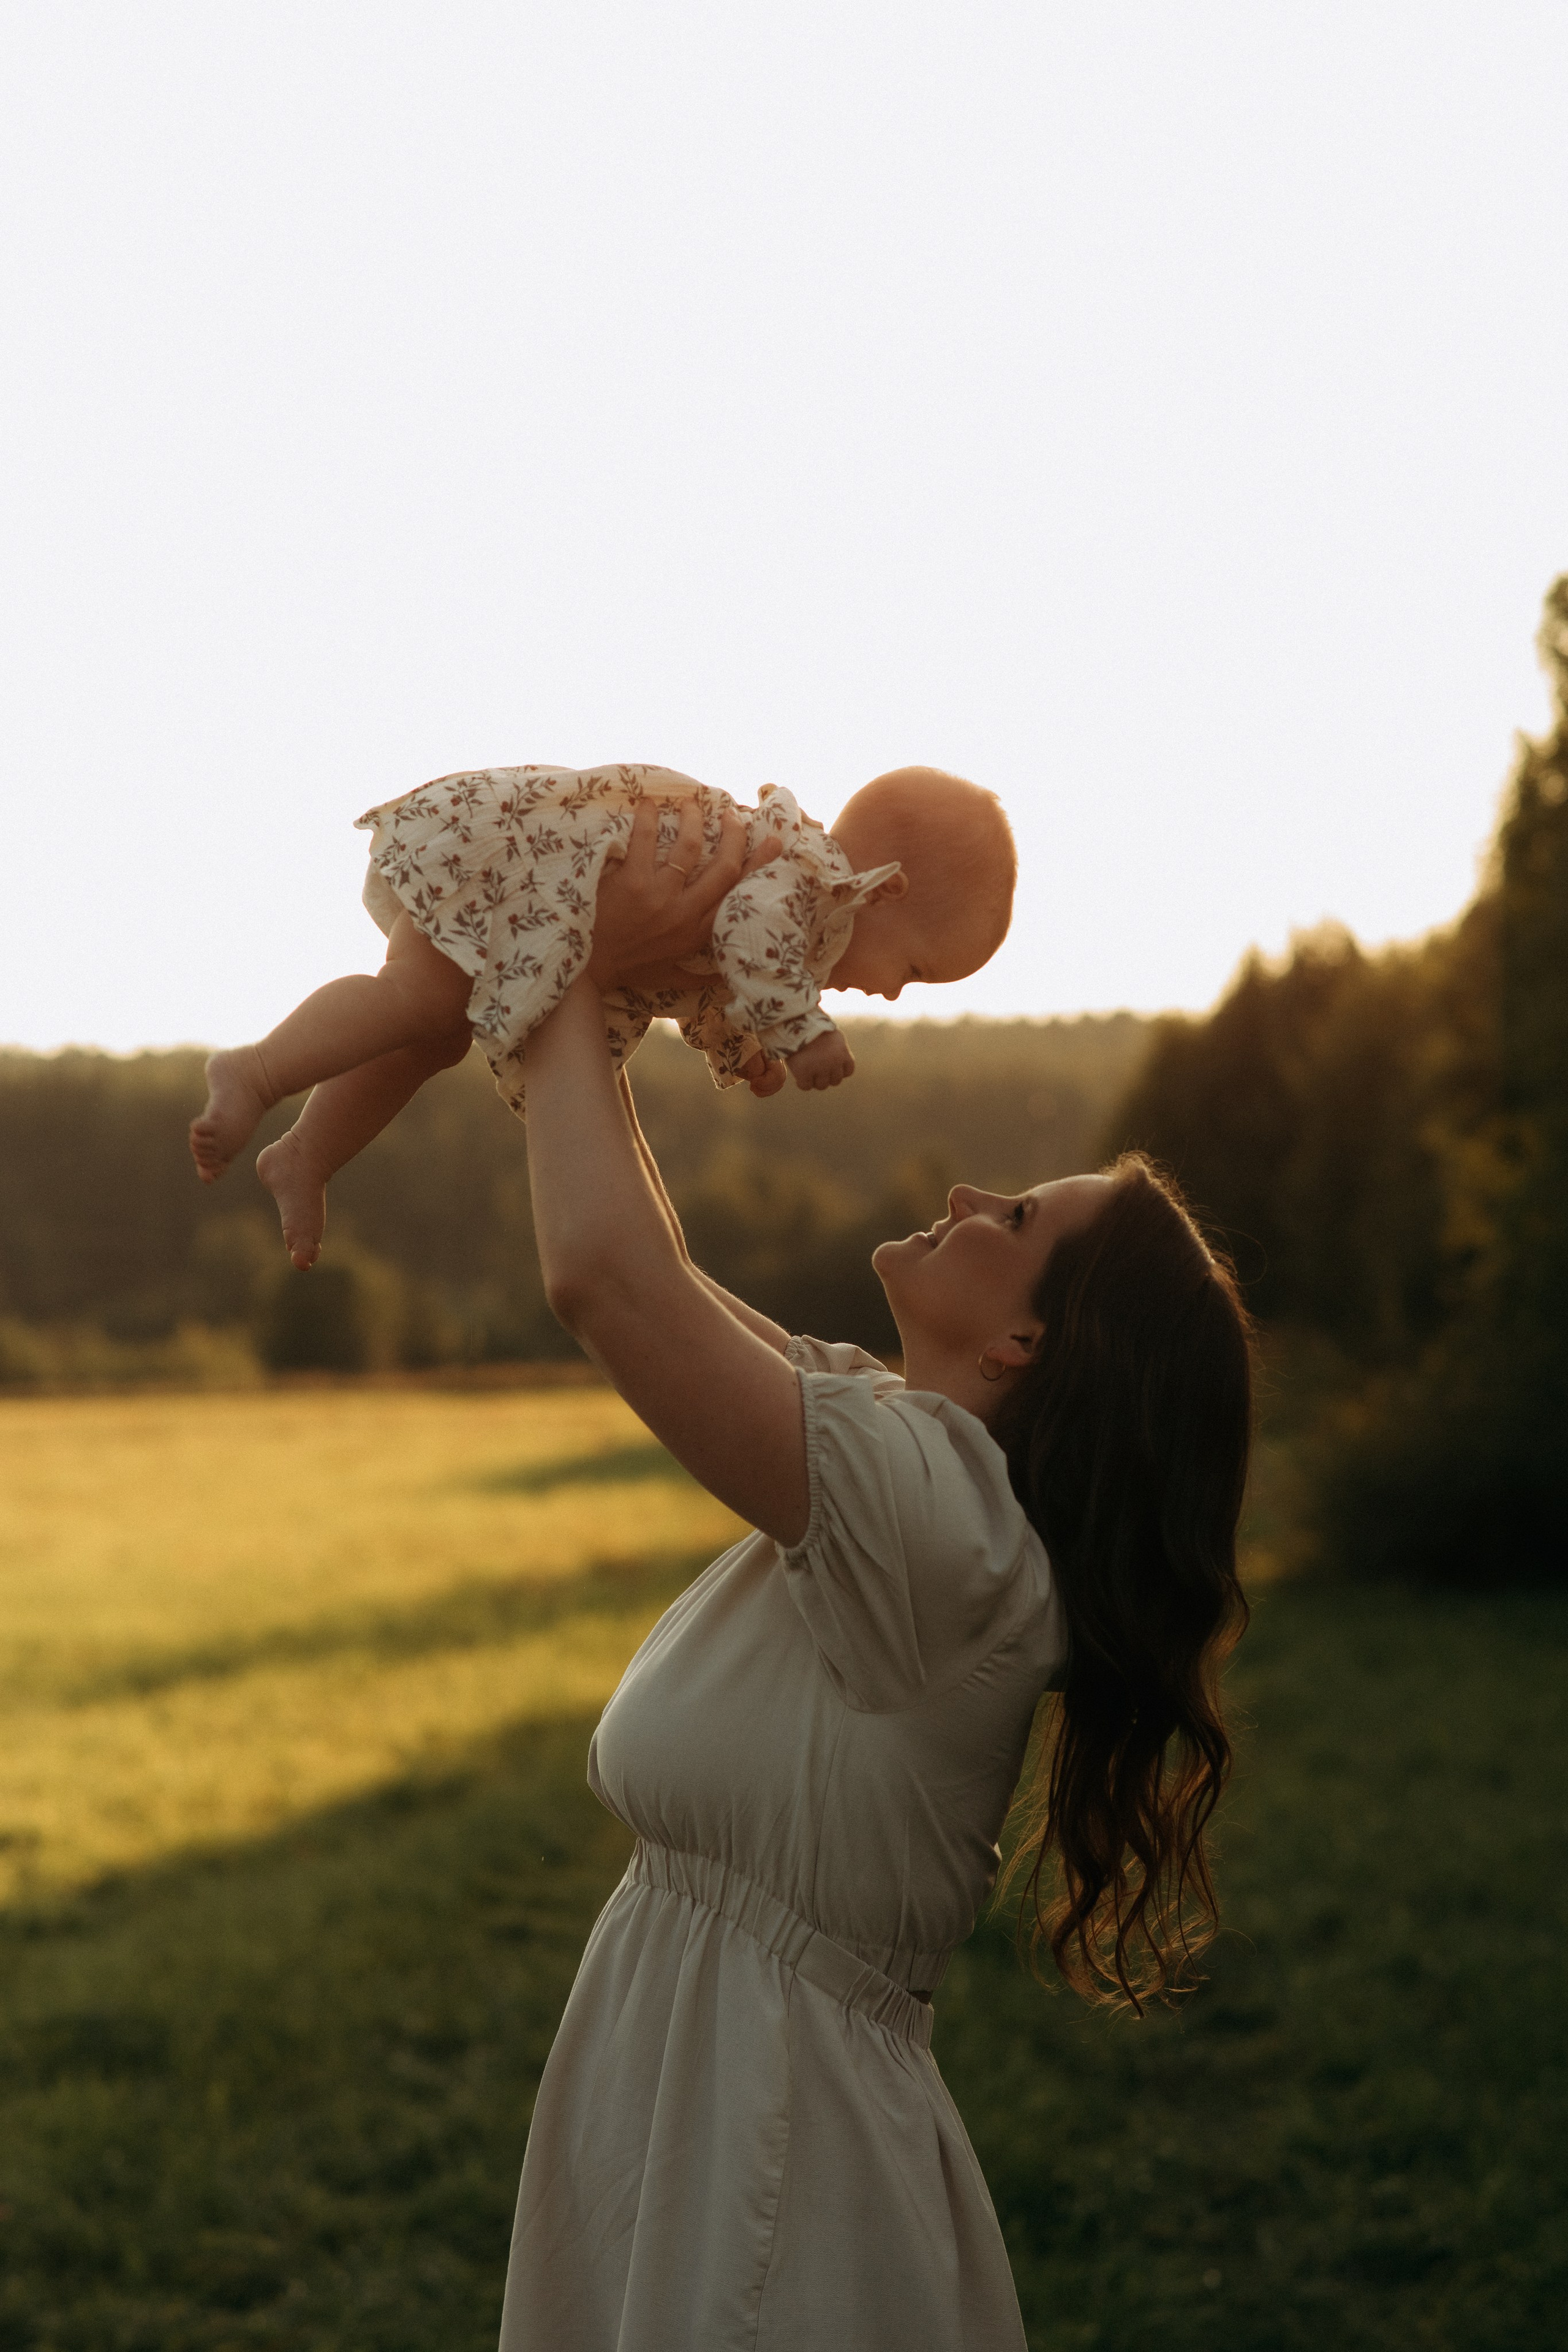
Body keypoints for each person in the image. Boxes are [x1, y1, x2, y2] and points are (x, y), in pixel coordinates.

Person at [495, 818, 1254, 2351]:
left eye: (1018, 1221)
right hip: (685, 2106)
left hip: (771, 2171)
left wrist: (553, 942)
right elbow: (656, 1266)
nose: (973, 1196)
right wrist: (601, 1007)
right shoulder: (906, 1466)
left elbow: (603, 1282)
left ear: (1031, 1345)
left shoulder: (943, 1536)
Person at [187, 761, 1016, 1268]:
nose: (897, 994)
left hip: (551, 898)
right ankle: (256, 1071)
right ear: (883, 890)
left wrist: (741, 1050)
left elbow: (710, 975)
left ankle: (307, 1155)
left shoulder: (795, 905)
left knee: (430, 1032)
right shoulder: (804, 881)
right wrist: (799, 1036)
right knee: (416, 998)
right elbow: (743, 937)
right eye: (914, 969)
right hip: (530, 872)